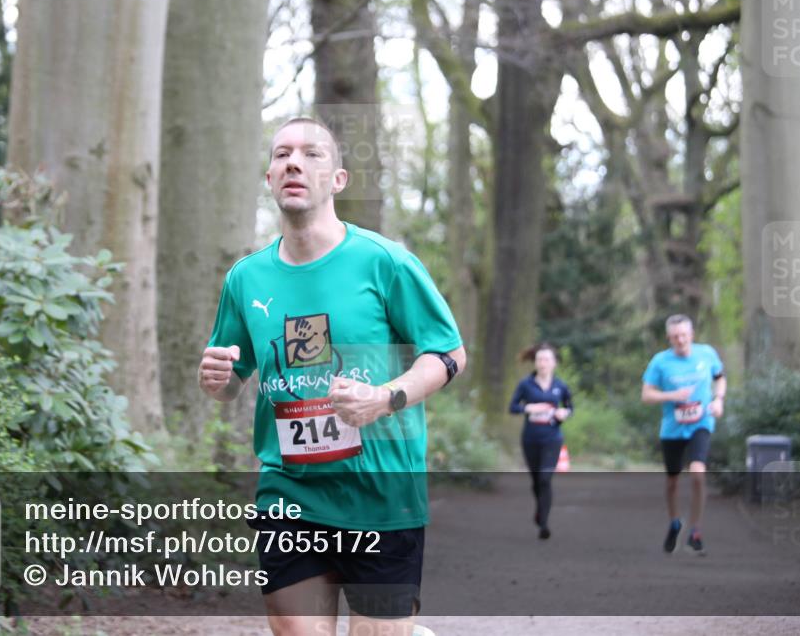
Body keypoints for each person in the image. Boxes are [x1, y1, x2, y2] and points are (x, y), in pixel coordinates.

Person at [198, 116, 466, 636]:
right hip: (290, 493)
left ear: (338, 179)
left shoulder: (385, 262)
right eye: (281, 154)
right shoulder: (246, 278)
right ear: (270, 178)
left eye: (311, 154)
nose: (293, 162)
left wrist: (385, 397)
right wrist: (219, 380)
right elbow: (232, 376)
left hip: (382, 495)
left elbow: (449, 353)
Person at [641, 314, 726, 555]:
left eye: (684, 335)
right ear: (669, 338)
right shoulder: (660, 362)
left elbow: (720, 379)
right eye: (675, 336)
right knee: (672, 482)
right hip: (672, 428)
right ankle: (674, 522)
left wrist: (718, 400)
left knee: (698, 472)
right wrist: (671, 396)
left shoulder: (706, 354)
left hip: (701, 422)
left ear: (692, 335)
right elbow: (646, 395)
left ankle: (696, 530)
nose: (680, 340)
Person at [508, 342, 573, 540]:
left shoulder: (560, 386)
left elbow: (570, 407)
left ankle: (544, 523)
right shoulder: (526, 384)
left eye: (546, 359)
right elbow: (513, 407)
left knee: (545, 478)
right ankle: (540, 510)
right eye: (539, 359)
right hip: (530, 438)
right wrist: (529, 409)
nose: (542, 363)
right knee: (536, 481)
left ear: (554, 363)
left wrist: (564, 413)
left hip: (552, 438)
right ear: (535, 363)